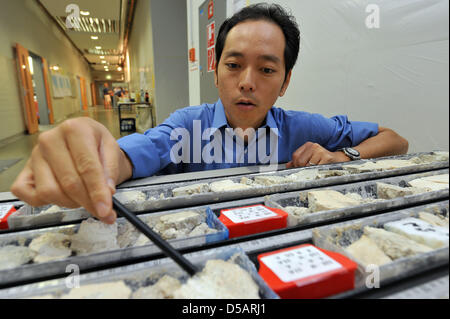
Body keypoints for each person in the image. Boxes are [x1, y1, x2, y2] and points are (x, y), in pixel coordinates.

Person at [11, 3, 408, 225]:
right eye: (234, 65)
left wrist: (342, 156)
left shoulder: (302, 127)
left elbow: (394, 139)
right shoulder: (188, 125)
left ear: (285, 82)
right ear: (216, 71)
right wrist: (96, 158)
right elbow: (137, 152)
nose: (247, 82)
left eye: (267, 70)